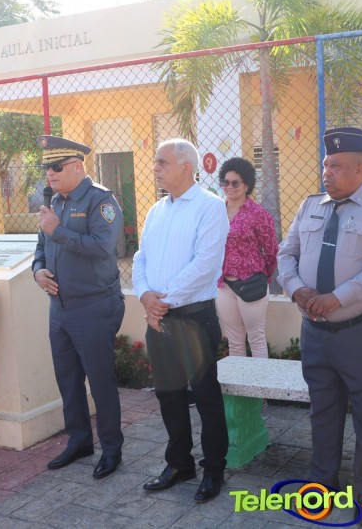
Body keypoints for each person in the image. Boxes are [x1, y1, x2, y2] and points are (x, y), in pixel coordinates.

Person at [277, 127, 362, 525]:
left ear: (360, 170)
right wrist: (297, 289)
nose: (326, 173)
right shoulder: (309, 206)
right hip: (315, 333)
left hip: (360, 333)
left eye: (335, 166)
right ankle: (322, 485)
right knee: (323, 411)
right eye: (325, 165)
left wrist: (337, 298)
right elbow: (286, 253)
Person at [133, 138, 229, 502]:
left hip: (193, 318)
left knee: (205, 397)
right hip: (159, 317)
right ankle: (179, 463)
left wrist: (162, 302)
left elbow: (205, 264)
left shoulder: (210, 206)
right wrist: (145, 295)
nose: (155, 167)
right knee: (169, 395)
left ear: (186, 167)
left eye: (162, 162)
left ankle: (214, 469)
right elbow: (140, 257)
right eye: (156, 162)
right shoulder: (157, 210)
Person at [32, 135, 125, 479]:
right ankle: (80, 440)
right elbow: (40, 248)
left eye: (56, 167)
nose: (50, 174)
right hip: (60, 307)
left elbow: (103, 247)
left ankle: (111, 448)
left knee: (100, 381)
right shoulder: (55, 201)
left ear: (76, 166)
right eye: (46, 168)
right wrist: (38, 271)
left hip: (94, 305)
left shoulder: (101, 200)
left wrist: (58, 231)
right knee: (68, 379)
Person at [216, 157, 278, 357]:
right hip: (224, 285)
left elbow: (271, 250)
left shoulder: (258, 213)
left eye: (235, 183)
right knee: (234, 341)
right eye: (225, 182)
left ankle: (260, 379)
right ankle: (239, 379)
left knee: (256, 338)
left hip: (251, 283)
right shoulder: (216, 211)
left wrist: (263, 277)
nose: (229, 187)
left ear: (246, 185)